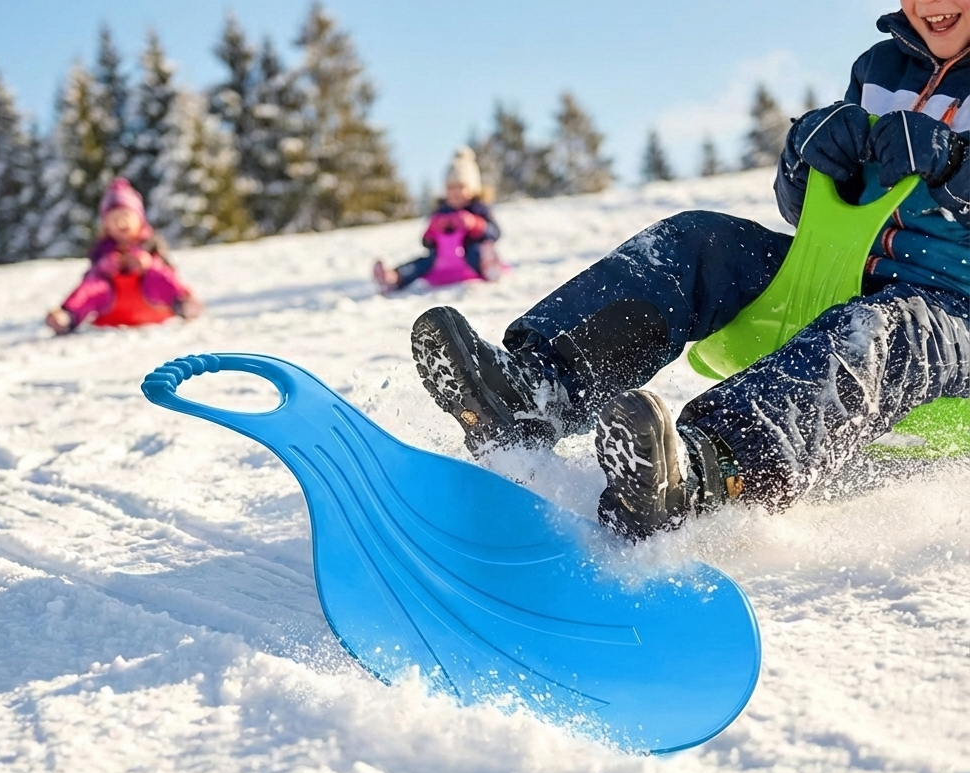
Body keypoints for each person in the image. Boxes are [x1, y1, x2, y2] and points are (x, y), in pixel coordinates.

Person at [410, 2, 969, 541]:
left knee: (883, 329)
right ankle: (537, 390)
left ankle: (714, 472)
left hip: (953, 316)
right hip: (846, 274)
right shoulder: (880, 68)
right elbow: (811, 210)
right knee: (700, 241)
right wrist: (806, 158)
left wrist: (954, 164)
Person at [46, 178, 201, 335]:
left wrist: (147, 263)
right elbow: (90, 274)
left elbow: (168, 268)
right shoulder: (102, 248)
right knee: (93, 285)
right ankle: (68, 315)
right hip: (113, 305)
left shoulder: (150, 243)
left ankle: (183, 303)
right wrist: (104, 267)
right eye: (114, 218)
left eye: (126, 216)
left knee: (157, 274)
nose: (121, 222)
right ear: (106, 224)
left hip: (151, 300)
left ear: (139, 219)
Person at [374, 147, 502, 292]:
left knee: (476, 251)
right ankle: (394, 277)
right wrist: (433, 230)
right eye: (450, 188)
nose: (455, 192)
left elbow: (495, 232)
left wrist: (475, 224)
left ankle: (489, 268)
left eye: (460, 187)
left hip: (469, 254)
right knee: (423, 262)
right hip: (442, 259)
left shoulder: (478, 209)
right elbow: (426, 242)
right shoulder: (441, 211)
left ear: (473, 188)